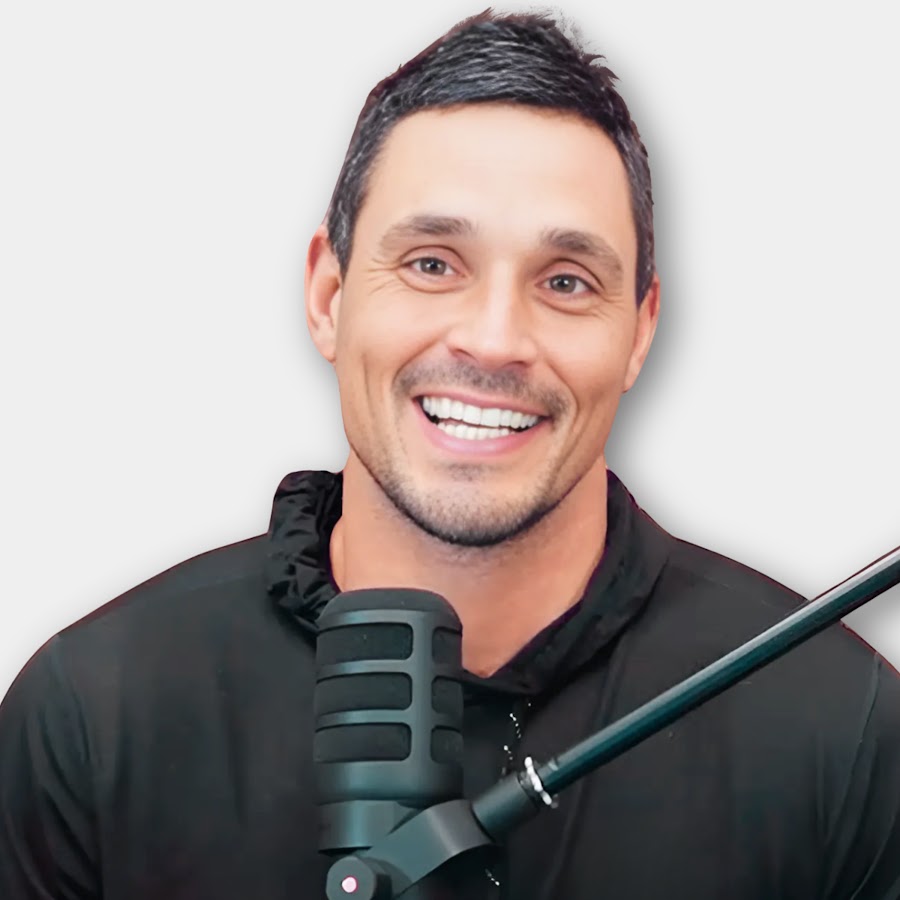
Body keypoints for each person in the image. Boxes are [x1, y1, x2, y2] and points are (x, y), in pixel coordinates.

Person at [1, 9, 898, 899]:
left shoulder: (838, 730)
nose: (494, 339)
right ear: (328, 296)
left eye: (566, 282)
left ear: (639, 332)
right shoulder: (92, 719)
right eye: (432, 264)